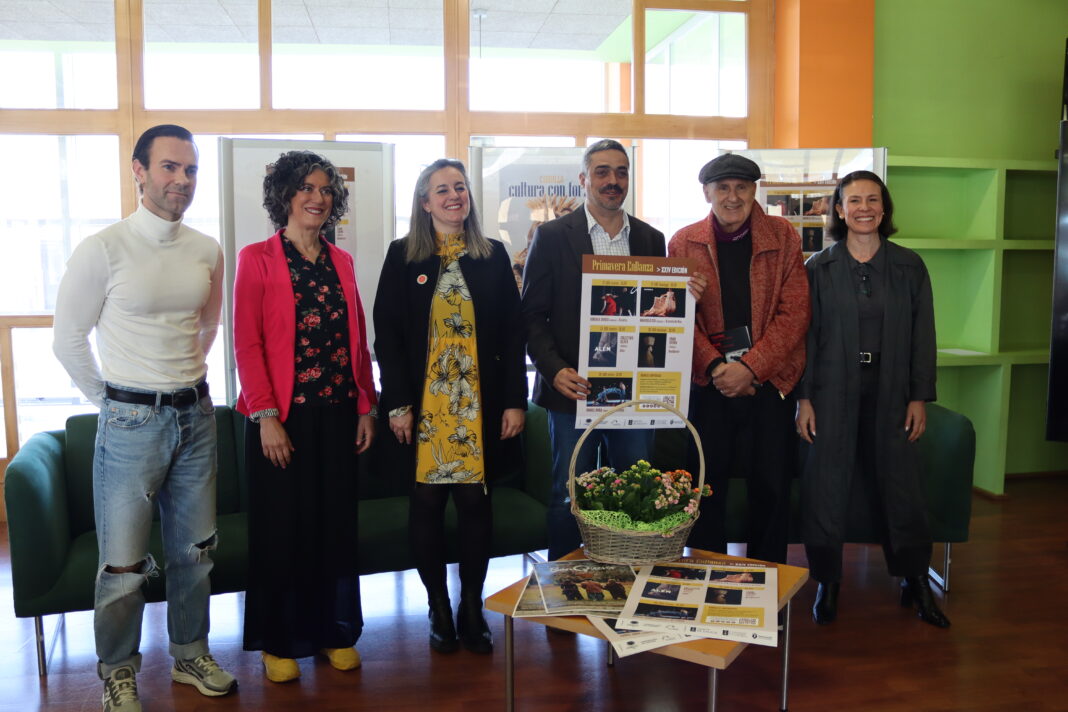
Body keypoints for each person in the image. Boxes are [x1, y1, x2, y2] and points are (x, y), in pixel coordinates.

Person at [52, 124, 235, 712]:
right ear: (139, 170)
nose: (182, 180)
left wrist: (181, 377)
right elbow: (67, 340)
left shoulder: (206, 249)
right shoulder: (103, 248)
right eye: (169, 167)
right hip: (130, 422)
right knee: (124, 565)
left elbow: (207, 326)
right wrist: (113, 402)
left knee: (195, 553)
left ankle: (190, 654)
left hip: (196, 416)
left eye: (190, 169)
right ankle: (118, 670)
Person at [523, 139, 707, 561]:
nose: (613, 180)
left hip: (635, 394)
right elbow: (531, 315)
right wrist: (554, 369)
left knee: (635, 489)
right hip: (573, 389)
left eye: (621, 172)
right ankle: (563, 585)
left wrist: (685, 295)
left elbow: (658, 313)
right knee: (568, 494)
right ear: (583, 179)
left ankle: (629, 578)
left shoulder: (650, 238)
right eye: (602, 172)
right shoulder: (551, 237)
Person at [233, 150, 378, 682]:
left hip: (338, 413)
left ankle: (332, 631)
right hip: (282, 421)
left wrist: (365, 404)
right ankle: (279, 641)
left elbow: (357, 340)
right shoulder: (256, 258)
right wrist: (266, 416)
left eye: (326, 189)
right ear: (285, 196)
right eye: (307, 188)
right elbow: (246, 343)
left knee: (333, 528)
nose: (318, 198)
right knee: (282, 531)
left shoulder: (342, 261)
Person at [374, 158, 527, 655]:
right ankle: (438, 606)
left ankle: (471, 607)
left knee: (475, 506)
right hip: (425, 405)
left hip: (478, 403)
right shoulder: (403, 256)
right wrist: (397, 404)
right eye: (441, 189)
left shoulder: (492, 255)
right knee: (427, 505)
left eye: (459, 187)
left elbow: (513, 334)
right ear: (425, 202)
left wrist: (514, 401)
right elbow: (388, 337)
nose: (453, 195)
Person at [796, 170, 949, 628]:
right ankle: (827, 582)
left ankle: (915, 580)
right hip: (831, 386)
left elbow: (924, 335)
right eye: (854, 201)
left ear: (884, 208)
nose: (864, 208)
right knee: (825, 484)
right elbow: (806, 339)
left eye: (872, 200)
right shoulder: (819, 268)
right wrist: (804, 399)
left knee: (902, 485)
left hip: (892, 386)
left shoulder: (909, 266)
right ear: (839, 210)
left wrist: (919, 397)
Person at [668, 153, 810, 565]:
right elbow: (676, 317)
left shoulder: (783, 235)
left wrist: (750, 368)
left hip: (769, 382)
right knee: (706, 486)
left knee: (771, 486)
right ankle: (707, 574)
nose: (733, 197)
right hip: (710, 384)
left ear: (754, 191)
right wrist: (716, 367)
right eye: (723, 188)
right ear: (707, 193)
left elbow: (795, 312)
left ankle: (768, 576)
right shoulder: (683, 242)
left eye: (742, 188)